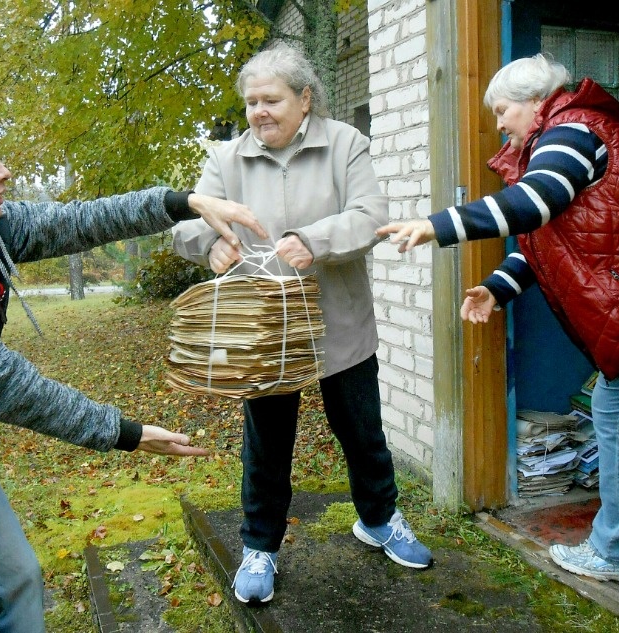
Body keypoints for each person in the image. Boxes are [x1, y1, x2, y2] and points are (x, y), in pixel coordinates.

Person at [0, 99, 268, 633]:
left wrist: (187, 201)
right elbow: (5, 384)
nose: (3, 171)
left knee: (15, 583)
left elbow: (79, 220)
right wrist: (124, 432)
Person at [172, 41, 432, 604]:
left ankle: (380, 519)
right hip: (263, 335)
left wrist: (312, 241)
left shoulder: (345, 144)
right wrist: (210, 244)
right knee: (266, 443)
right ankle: (259, 546)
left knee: (362, 432)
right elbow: (189, 224)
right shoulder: (225, 158)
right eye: (250, 103)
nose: (258, 112)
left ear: (305, 98)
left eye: (271, 100)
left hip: (339, 323)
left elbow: (370, 218)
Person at [377, 54, 619, 585]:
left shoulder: (573, 130)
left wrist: (435, 225)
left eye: (502, 110)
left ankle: (617, 552)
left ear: (537, 102)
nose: (498, 124)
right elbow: (544, 241)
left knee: (617, 417)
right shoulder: (559, 136)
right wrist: (496, 289)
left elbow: (533, 205)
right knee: (616, 412)